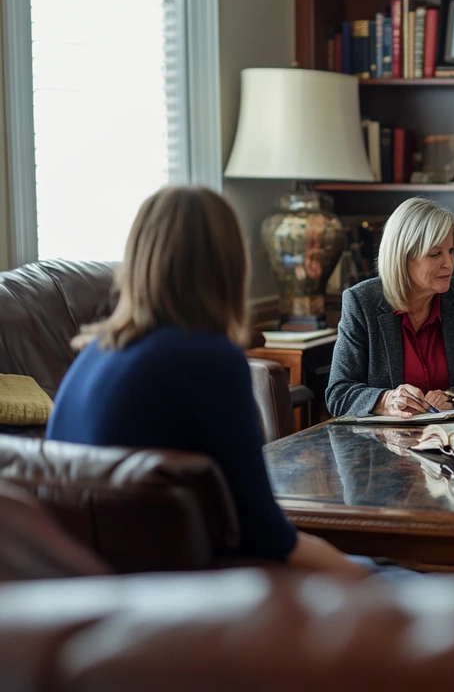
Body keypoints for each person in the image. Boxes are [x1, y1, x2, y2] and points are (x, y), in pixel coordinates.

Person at [46, 186, 366, 579]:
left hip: (97, 592)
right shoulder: (209, 359)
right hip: (193, 600)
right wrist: (364, 576)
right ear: (228, 263)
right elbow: (265, 534)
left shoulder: (94, 352)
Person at [326, 198, 454, 418]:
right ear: (402, 258)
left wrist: (452, 397)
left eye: (451, 251)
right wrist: (387, 401)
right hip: (385, 445)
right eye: (435, 254)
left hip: (452, 439)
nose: (449, 263)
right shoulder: (362, 302)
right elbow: (338, 394)